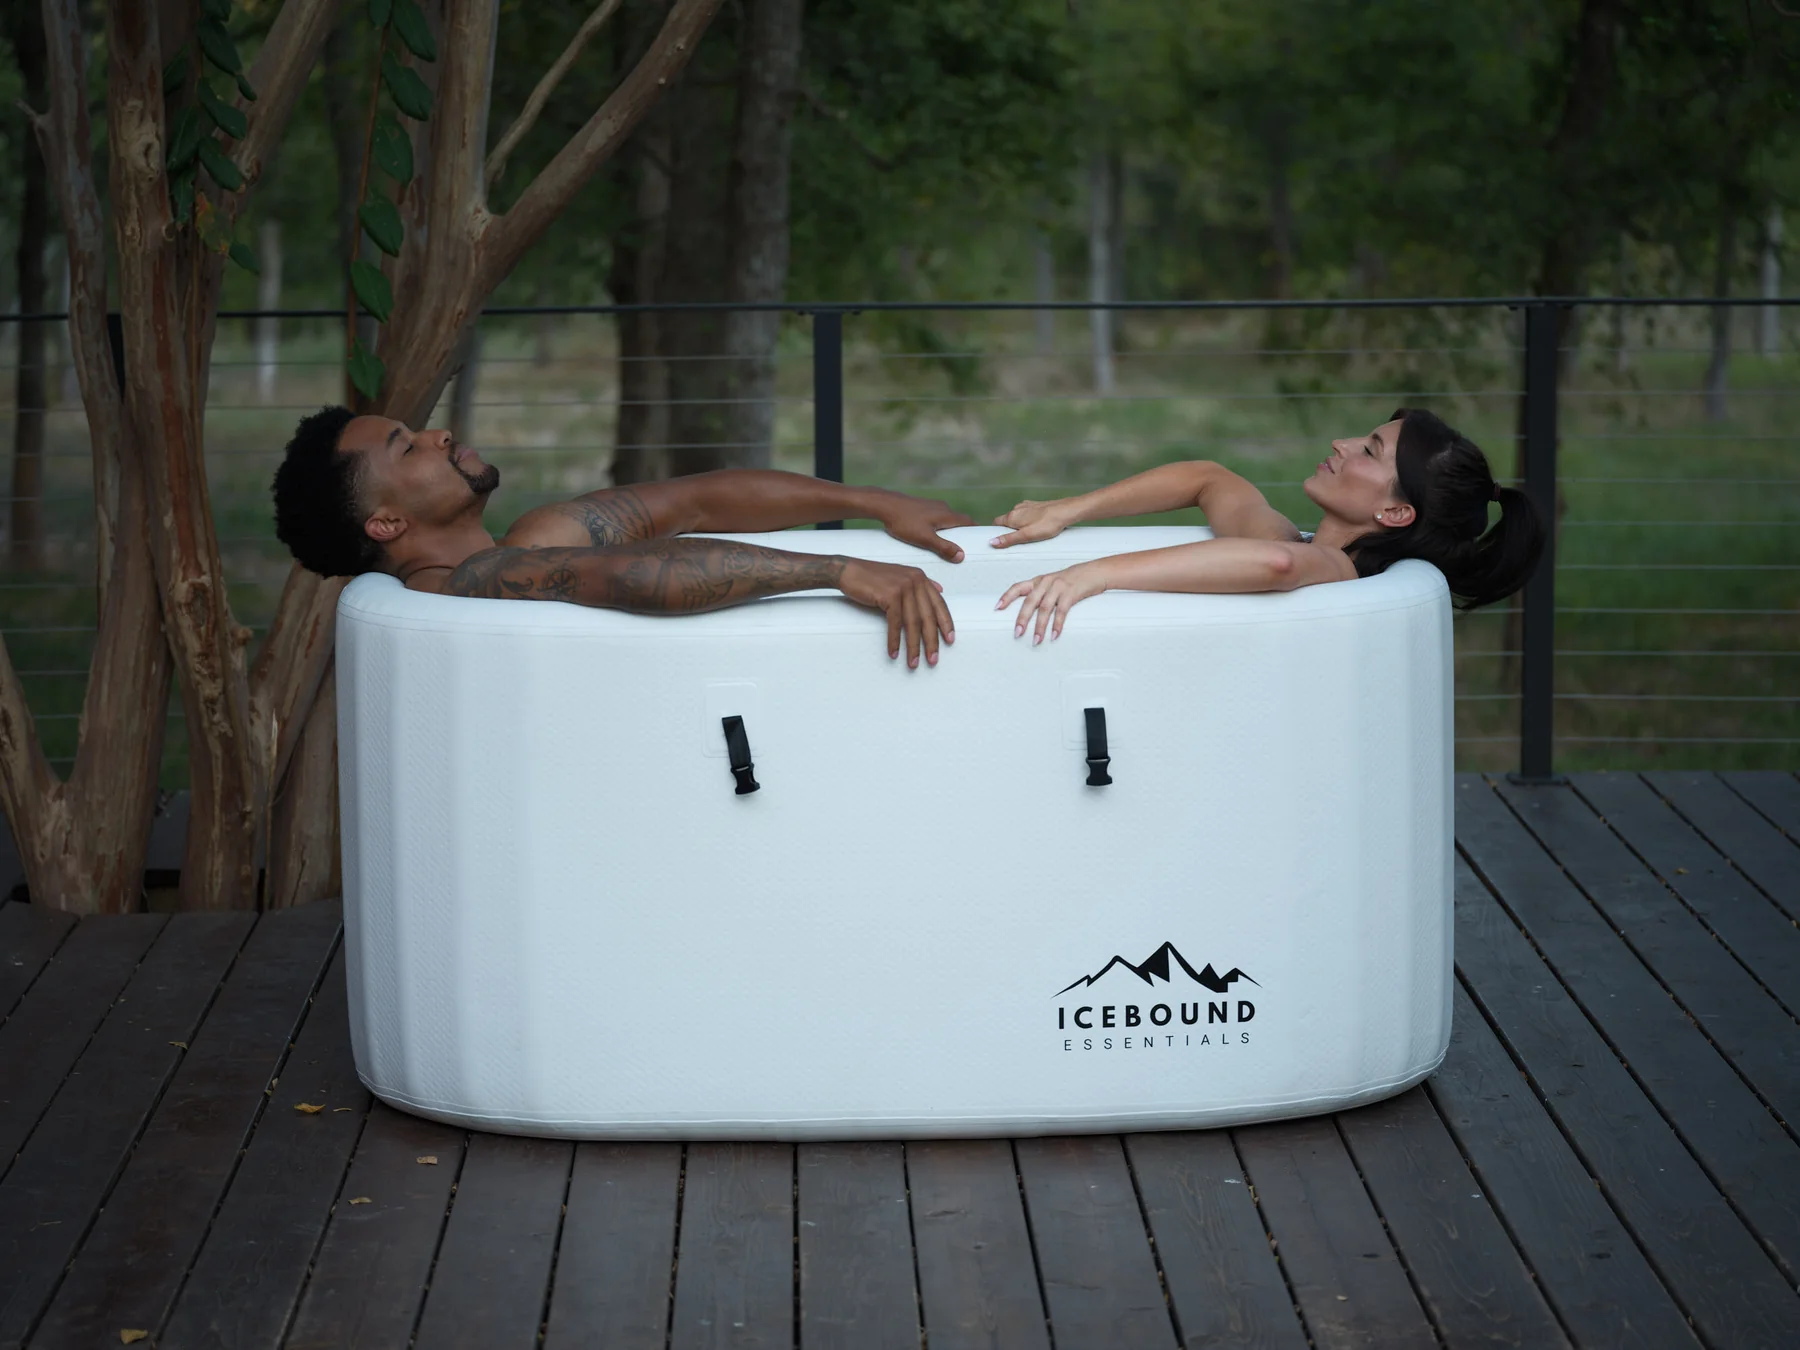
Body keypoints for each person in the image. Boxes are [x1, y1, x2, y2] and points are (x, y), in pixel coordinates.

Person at [271, 406, 973, 668]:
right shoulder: (468, 588)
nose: (438, 434)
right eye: (408, 448)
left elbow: (697, 501)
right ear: (388, 523)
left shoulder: (530, 542)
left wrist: (877, 503)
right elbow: (636, 574)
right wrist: (839, 569)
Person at [990, 408, 1545, 641]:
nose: (1341, 444)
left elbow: (1278, 566)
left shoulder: (1336, 570)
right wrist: (1065, 509)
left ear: (1395, 514)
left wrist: (1094, 575)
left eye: (1369, 452)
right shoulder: (1295, 541)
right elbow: (1208, 479)